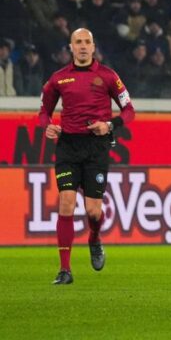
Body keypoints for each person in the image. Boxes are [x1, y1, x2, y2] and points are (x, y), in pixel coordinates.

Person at [38, 28, 136, 285]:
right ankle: (65, 270)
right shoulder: (59, 79)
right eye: (78, 42)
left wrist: (110, 126)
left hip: (96, 147)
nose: (82, 46)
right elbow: (44, 111)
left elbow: (129, 110)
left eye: (87, 42)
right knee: (66, 203)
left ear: (93, 47)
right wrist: (47, 125)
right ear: (71, 47)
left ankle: (94, 238)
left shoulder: (108, 76)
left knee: (93, 211)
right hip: (68, 146)